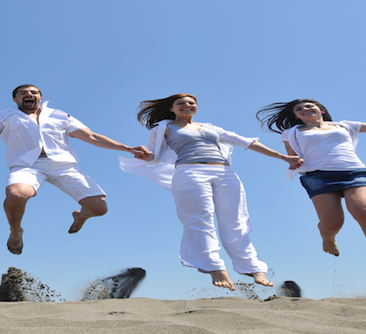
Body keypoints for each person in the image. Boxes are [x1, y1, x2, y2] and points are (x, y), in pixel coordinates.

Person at [120, 94, 303, 291]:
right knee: (200, 219)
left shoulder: (211, 127)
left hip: (225, 173)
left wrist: (283, 157)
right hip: (190, 172)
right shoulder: (163, 128)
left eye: (191, 103)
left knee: (236, 219)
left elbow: (246, 142)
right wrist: (146, 156)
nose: (187, 105)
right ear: (172, 109)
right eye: (181, 103)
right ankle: (214, 266)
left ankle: (251, 266)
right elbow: (153, 156)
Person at [0, 84, 141, 255]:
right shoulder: (4, 117)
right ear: (15, 99)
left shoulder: (60, 115)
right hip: (26, 165)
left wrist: (129, 148)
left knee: (100, 209)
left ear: (40, 97)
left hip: (63, 165)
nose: (29, 95)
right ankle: (16, 231)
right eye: (23, 93)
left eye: (33, 92)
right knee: (15, 194)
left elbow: (91, 136)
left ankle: (81, 216)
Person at [257, 99, 366, 271]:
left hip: (354, 172)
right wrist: (293, 162)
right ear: (296, 116)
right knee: (333, 224)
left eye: (309, 106)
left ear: (321, 110)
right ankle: (329, 240)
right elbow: (293, 157)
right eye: (299, 109)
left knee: (364, 211)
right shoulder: (291, 133)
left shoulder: (345, 126)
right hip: (318, 176)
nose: (305, 109)